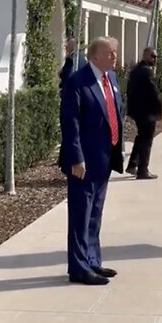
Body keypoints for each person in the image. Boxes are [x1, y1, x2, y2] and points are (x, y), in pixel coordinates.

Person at [58, 37, 126, 285]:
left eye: (115, 52)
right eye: (111, 53)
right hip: (83, 162)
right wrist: (76, 157)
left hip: (105, 158)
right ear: (96, 56)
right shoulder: (78, 82)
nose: (115, 56)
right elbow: (70, 123)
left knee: (95, 212)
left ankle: (93, 260)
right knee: (81, 214)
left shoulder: (112, 79)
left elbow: (116, 113)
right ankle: (78, 267)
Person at [124, 47, 162, 180]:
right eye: (153, 56)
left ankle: (132, 165)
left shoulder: (135, 70)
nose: (155, 59)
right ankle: (143, 170)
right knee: (147, 140)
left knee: (141, 137)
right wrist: (160, 106)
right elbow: (153, 92)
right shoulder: (147, 72)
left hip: (137, 111)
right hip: (147, 111)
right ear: (146, 55)